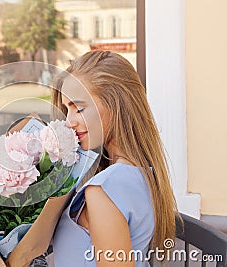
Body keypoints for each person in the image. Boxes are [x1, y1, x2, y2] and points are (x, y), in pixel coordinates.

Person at [51, 50, 182, 266]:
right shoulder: (141, 173)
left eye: (79, 108)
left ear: (116, 103)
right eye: (67, 109)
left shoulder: (103, 189)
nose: (69, 121)